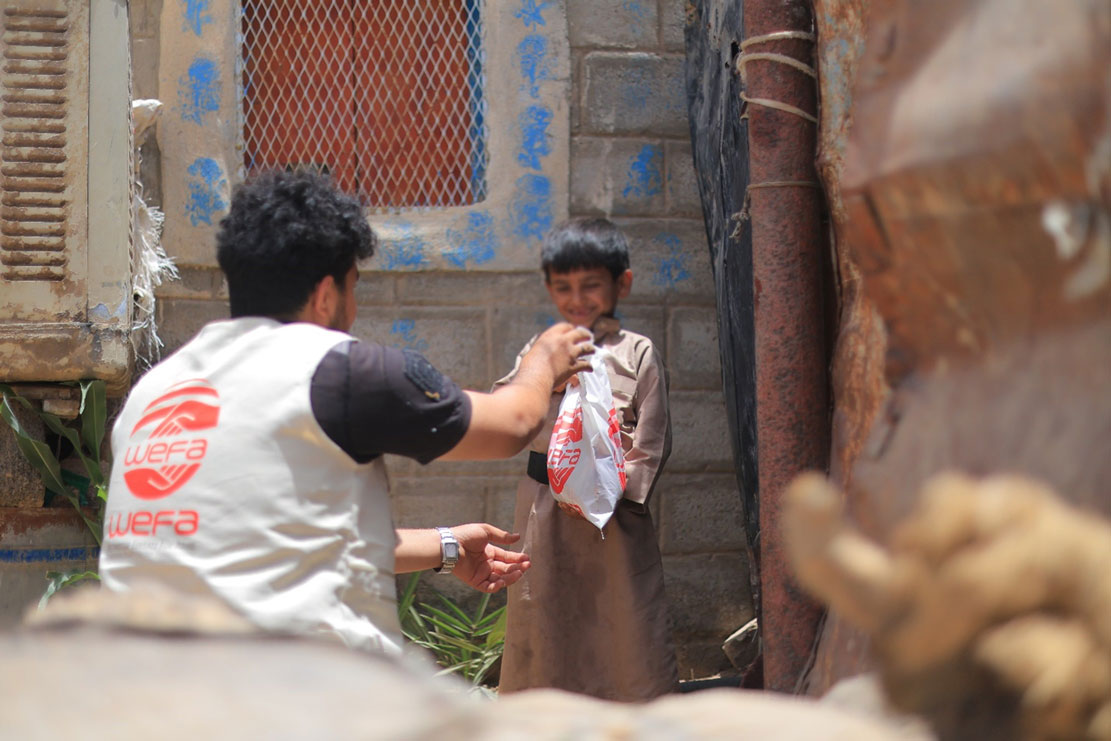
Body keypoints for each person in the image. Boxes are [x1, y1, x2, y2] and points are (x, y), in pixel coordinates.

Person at [98, 171, 594, 655]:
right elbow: (511, 426)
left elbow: (287, 545)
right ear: (325, 293)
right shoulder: (335, 369)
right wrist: (543, 359)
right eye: (353, 287)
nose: (352, 309)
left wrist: (448, 546)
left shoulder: (156, 393)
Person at [495, 218, 679, 701]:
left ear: (623, 283)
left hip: (614, 518)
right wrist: (547, 379)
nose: (577, 299)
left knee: (622, 623)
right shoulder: (539, 352)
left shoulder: (637, 353)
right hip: (545, 514)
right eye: (564, 287)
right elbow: (505, 410)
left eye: (591, 285)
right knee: (546, 617)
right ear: (549, 289)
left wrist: (621, 497)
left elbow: (653, 437)